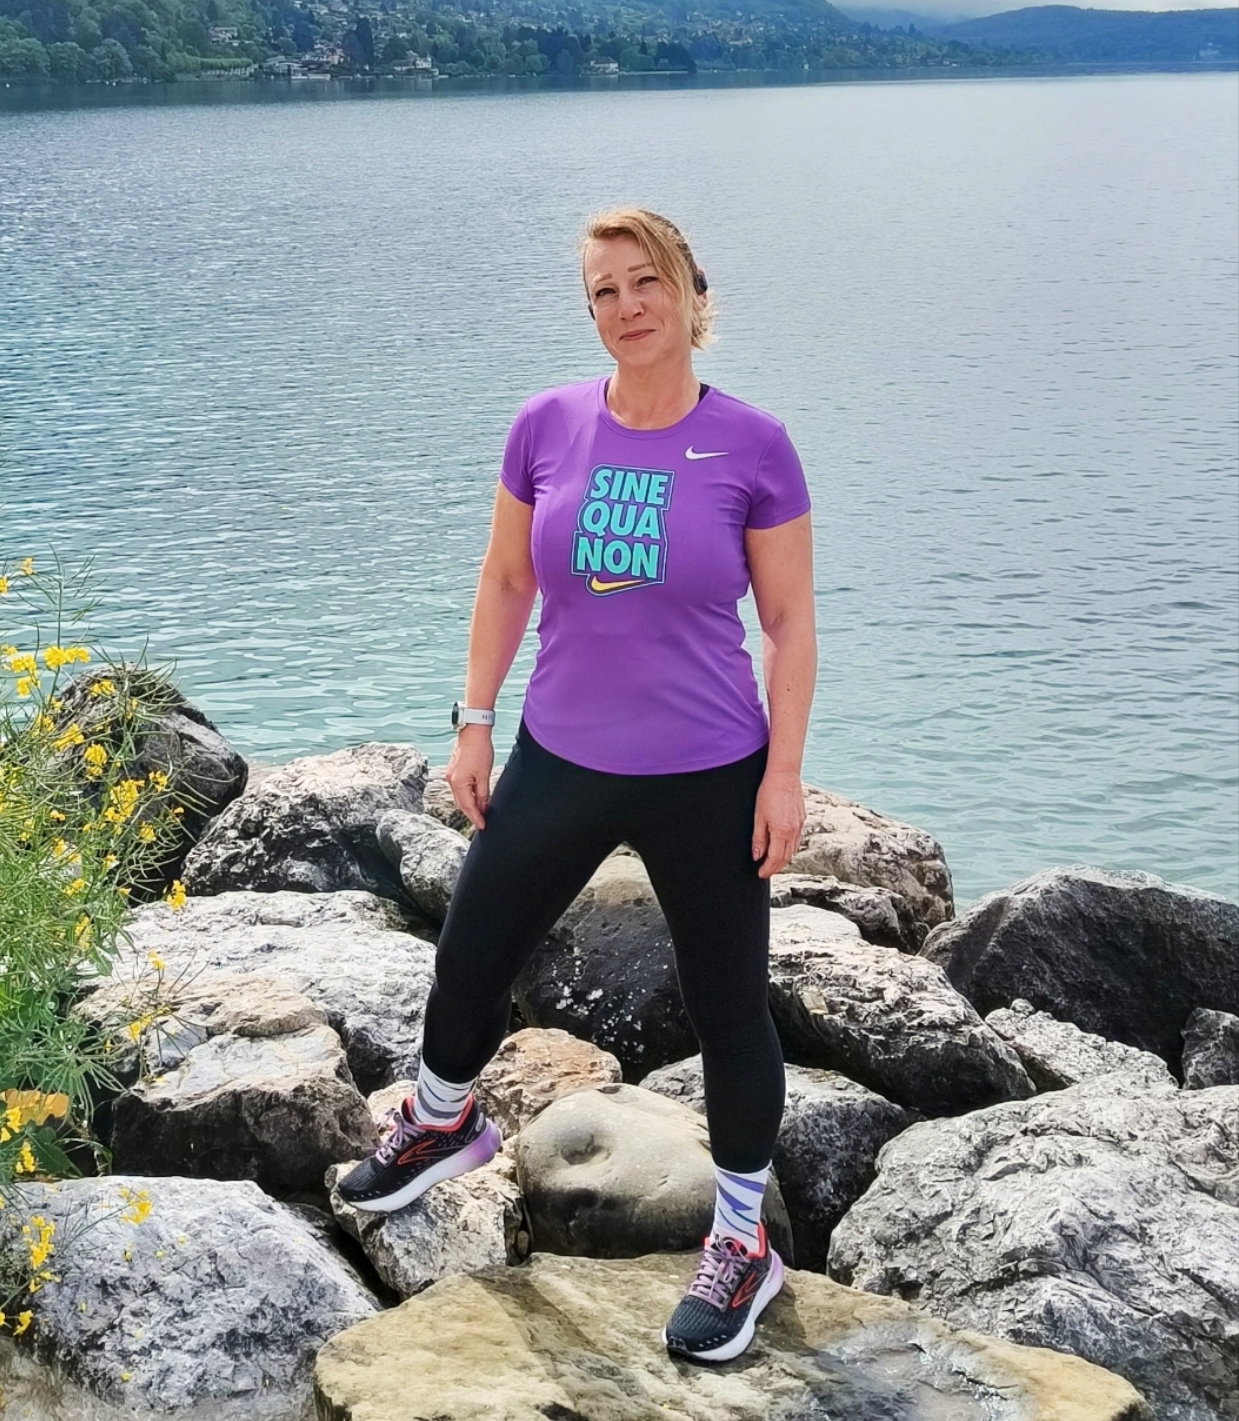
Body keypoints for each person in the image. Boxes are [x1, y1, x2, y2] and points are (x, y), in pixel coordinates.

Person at [336, 207, 817, 1365]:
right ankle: (441, 1120)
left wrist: (785, 773)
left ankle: (742, 1240)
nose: (626, 306)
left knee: (728, 1006)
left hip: (709, 770)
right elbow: (506, 580)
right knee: (472, 945)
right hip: (561, 751)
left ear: (691, 292)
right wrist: (473, 720)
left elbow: (790, 623)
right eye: (604, 290)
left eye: (645, 281)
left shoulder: (754, 445)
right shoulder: (545, 426)